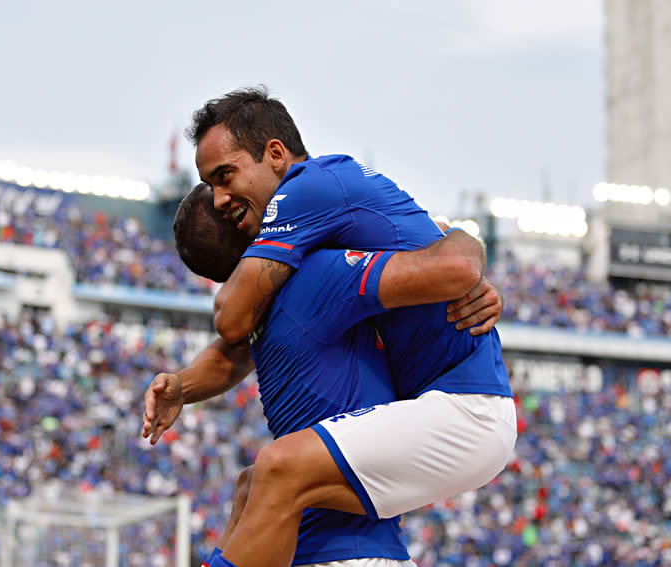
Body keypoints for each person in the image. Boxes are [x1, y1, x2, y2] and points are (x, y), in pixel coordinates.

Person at [145, 180, 513, 566]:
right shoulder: (319, 274)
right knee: (262, 475)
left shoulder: (258, 312)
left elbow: (228, 356)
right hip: (353, 553)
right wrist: (463, 246)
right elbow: (441, 265)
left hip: (302, 545)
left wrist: (182, 386)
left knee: (253, 481)